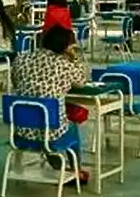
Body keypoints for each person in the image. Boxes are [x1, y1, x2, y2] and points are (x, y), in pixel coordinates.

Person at [11, 26, 90, 184]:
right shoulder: (63, 64)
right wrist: (74, 58)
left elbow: (16, 82)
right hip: (50, 133)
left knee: (46, 118)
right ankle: (76, 169)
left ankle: (59, 167)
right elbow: (82, 81)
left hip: (20, 133)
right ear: (66, 47)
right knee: (67, 126)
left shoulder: (21, 59)